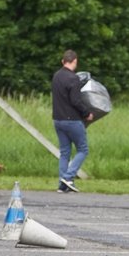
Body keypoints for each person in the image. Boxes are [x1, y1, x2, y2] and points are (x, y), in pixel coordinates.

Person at [51, 49, 93, 193]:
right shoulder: (73, 79)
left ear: (63, 61)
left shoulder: (56, 76)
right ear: (75, 61)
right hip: (72, 120)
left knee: (64, 152)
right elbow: (75, 101)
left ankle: (62, 185)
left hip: (58, 119)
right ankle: (68, 177)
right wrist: (87, 113)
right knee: (83, 149)